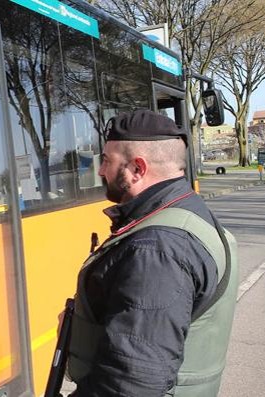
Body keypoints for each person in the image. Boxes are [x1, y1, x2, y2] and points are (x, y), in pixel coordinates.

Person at [66, 109, 239, 397]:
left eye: (107, 160)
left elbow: (131, 384)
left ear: (137, 169)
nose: (100, 170)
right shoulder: (184, 209)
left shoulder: (157, 249)